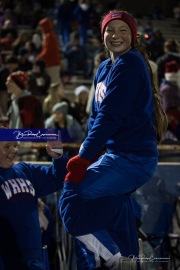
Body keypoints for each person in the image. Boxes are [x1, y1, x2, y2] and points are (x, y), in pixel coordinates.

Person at [58, 10, 168, 270]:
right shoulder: (104, 67)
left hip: (133, 159)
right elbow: (95, 117)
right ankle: (129, 258)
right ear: (102, 34)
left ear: (133, 36)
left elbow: (109, 117)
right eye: (110, 30)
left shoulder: (130, 63)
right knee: (113, 206)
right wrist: (92, 153)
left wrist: (84, 157)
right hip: (114, 156)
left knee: (73, 199)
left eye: (123, 30)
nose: (116, 35)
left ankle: (115, 260)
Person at [0, 131, 68, 270]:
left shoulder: (26, 170)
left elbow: (59, 178)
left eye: (15, 145)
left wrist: (58, 157)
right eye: (7, 146)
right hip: (5, 258)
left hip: (34, 257)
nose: (13, 150)